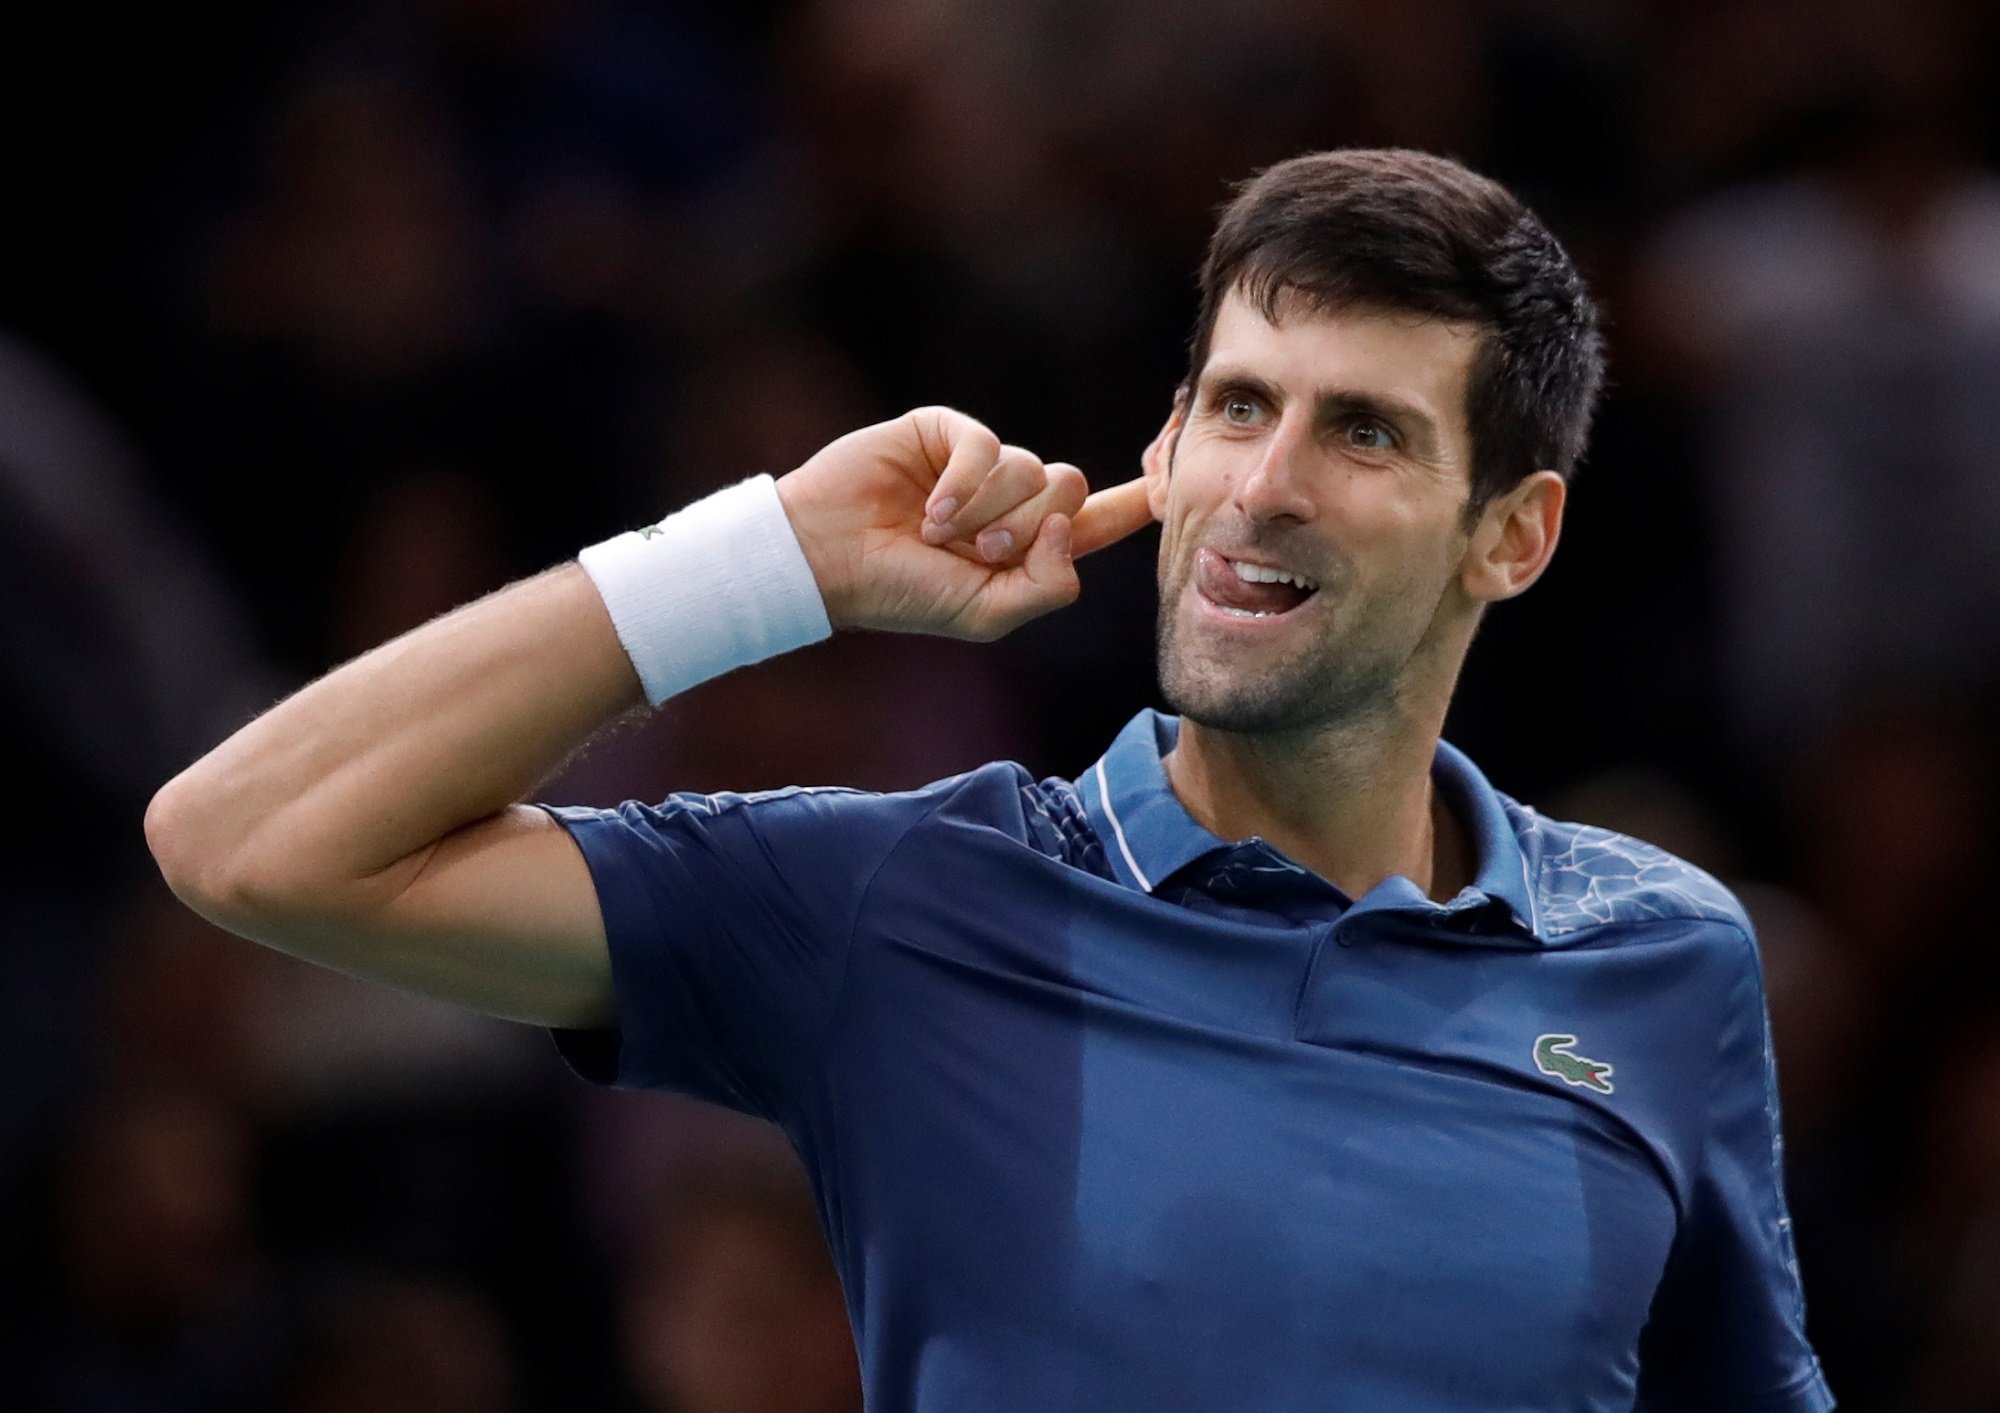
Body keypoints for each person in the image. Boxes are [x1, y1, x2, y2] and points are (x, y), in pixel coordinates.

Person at [147, 148, 1834, 1411]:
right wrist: (768, 557)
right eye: (1238, 406)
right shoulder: (904, 901)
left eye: (1365, 431)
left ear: (1513, 535)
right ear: (1164, 446)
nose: (1265, 484)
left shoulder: (1664, 957)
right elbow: (248, 839)